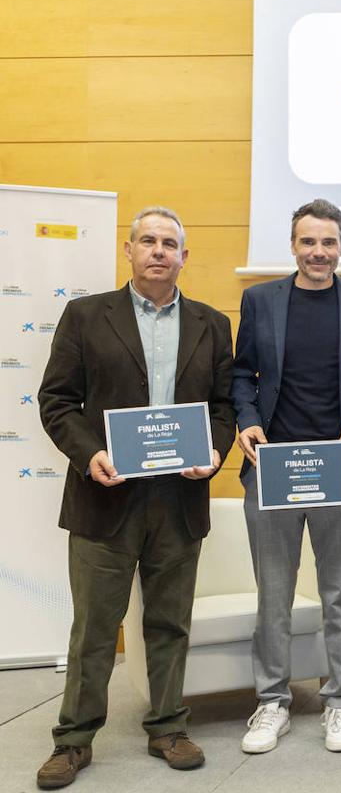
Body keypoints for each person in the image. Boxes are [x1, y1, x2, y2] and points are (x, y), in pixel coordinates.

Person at [36, 206, 235, 789]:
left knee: (170, 622)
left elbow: (222, 409)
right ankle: (73, 740)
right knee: (95, 628)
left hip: (178, 499)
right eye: (147, 241)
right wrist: (89, 454)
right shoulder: (85, 315)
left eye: (169, 243)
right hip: (105, 497)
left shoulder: (211, 322)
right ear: (129, 250)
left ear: (183, 257)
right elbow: (56, 401)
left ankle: (168, 726)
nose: (157, 251)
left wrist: (215, 451)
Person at [231, 199, 341, 754]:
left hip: (338, 468)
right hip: (270, 468)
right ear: (293, 245)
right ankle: (272, 701)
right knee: (273, 591)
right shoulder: (260, 300)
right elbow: (242, 374)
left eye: (329, 242)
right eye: (308, 242)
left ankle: (339, 701)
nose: (319, 252)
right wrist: (246, 424)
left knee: (338, 592)